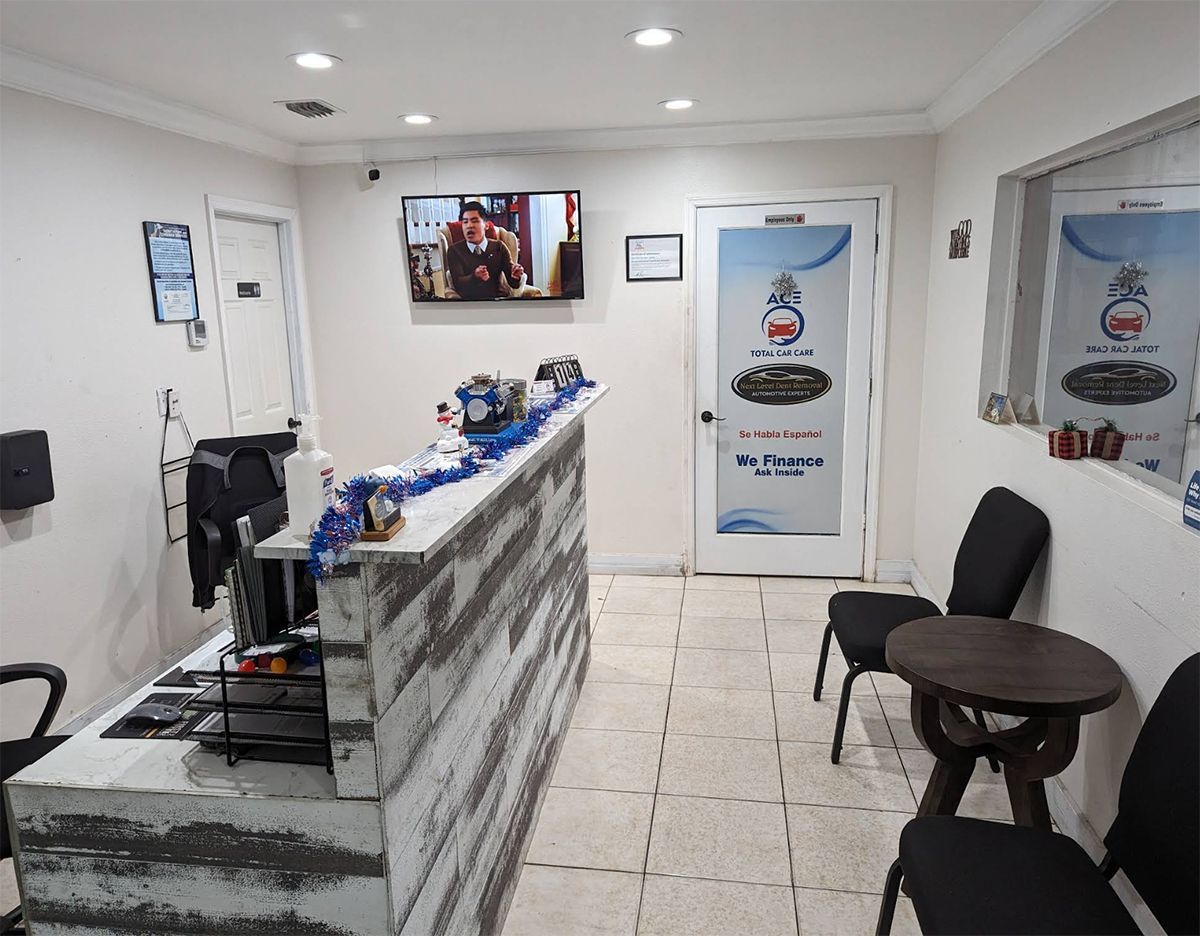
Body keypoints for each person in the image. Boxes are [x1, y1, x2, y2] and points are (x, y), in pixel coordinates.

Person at [445, 201, 526, 299]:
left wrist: (515, 276)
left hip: (497, 303)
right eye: (465, 222)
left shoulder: (499, 247)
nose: (469, 225)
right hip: (469, 306)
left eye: (474, 221)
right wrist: (475, 277)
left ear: (486, 225)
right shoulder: (454, 251)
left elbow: (513, 284)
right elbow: (458, 284)